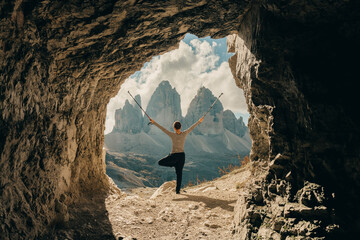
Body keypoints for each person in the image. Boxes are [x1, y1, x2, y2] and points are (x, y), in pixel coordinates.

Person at [150, 117, 204, 194]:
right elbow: (192, 127)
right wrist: (199, 121)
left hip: (173, 156)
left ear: (174, 128)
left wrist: (153, 122)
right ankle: (177, 191)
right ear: (180, 127)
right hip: (182, 156)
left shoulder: (172, 135)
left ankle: (173, 164)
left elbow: (163, 129)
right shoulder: (184, 133)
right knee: (179, 174)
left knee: (160, 162)